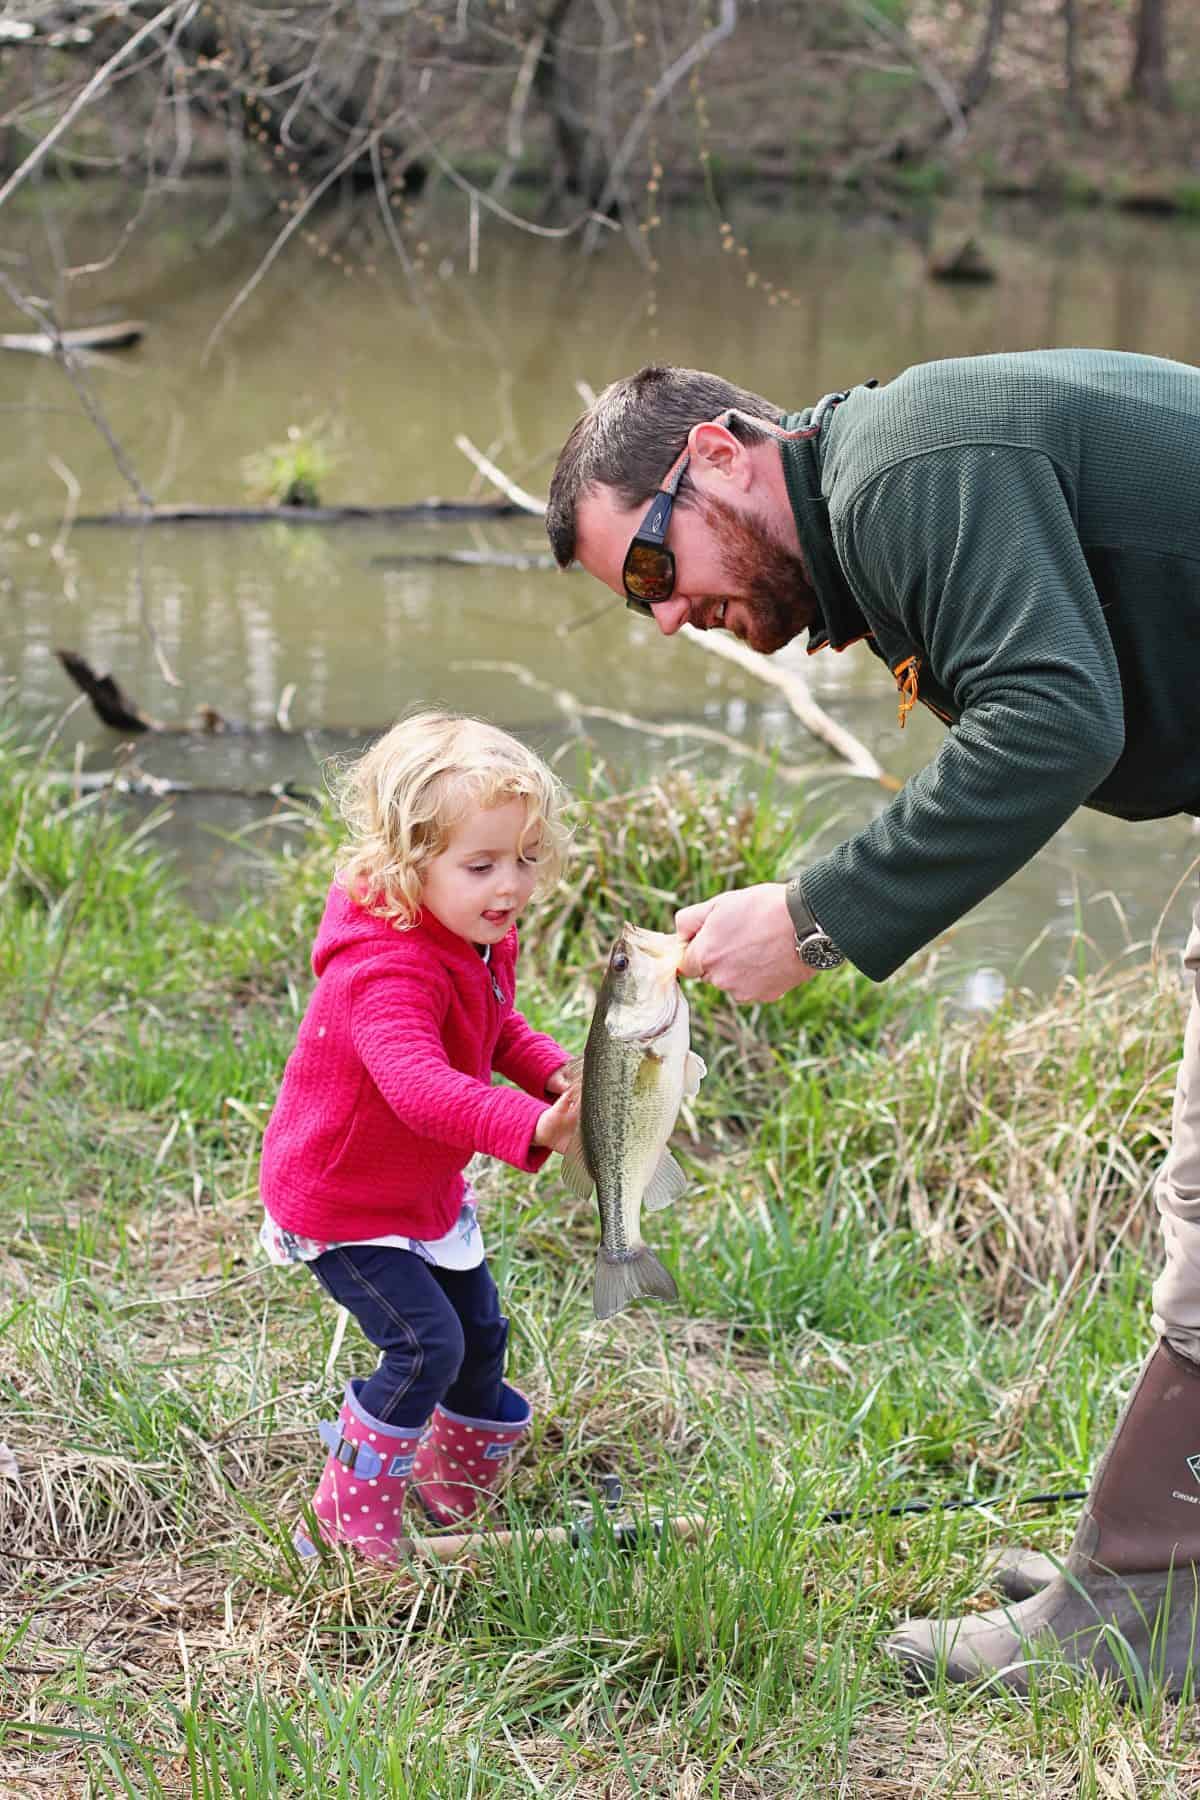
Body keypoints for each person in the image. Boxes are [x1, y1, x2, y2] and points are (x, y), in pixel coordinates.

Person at [546, 350, 1200, 1695]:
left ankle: (1141, 1600)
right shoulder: (891, 497)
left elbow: (1056, 716)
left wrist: (819, 909)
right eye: (637, 605)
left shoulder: (912, 469)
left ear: (723, 454)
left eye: (655, 572)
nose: (665, 620)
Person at [259, 711, 579, 1565]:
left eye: (525, 859)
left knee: (480, 1334)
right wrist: (533, 1126)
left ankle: (450, 1484)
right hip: (345, 1198)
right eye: (481, 865)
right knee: (421, 1345)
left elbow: (494, 1027)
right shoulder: (386, 967)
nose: (508, 886)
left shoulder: (472, 934)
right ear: (410, 865)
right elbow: (419, 1087)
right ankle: (344, 1515)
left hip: (422, 1193)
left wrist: (553, 1074)